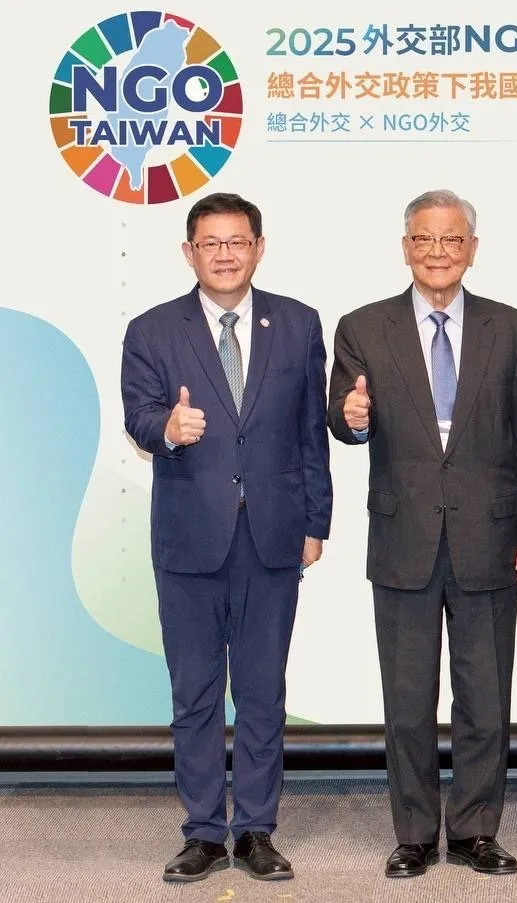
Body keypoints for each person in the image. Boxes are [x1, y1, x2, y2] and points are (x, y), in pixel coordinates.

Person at [328, 189, 517, 879]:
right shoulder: (363, 326)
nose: (437, 252)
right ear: (405, 247)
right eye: (424, 240)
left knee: (485, 696)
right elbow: (343, 417)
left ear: (472, 249)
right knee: (407, 699)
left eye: (451, 240)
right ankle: (415, 833)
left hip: (490, 536)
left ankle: (478, 828)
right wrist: (354, 415)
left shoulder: (513, 327)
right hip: (404, 540)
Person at [121, 192, 332, 883]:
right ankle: (205, 830)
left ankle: (258, 831)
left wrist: (315, 522)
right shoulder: (151, 330)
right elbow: (140, 413)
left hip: (273, 535)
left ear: (259, 247)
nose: (224, 254)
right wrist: (166, 431)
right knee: (196, 691)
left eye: (237, 241)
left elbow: (309, 435)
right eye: (209, 243)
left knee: (265, 690)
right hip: (189, 538)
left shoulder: (298, 323)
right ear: (189, 252)